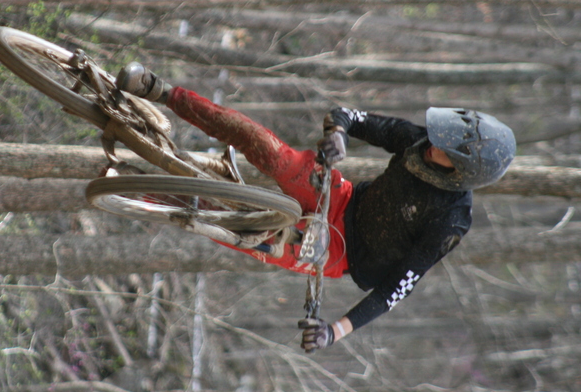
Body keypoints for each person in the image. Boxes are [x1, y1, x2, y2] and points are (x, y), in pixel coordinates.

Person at [116, 62, 516, 351]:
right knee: (265, 147)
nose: (433, 142)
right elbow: (347, 115)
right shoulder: (416, 141)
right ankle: (162, 91)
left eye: (444, 147)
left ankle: (133, 186)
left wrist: (335, 331)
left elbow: (396, 289)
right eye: (440, 134)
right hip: (338, 196)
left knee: (244, 233)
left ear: (461, 171)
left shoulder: (451, 220)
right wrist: (338, 134)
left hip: (338, 254)